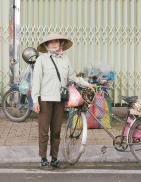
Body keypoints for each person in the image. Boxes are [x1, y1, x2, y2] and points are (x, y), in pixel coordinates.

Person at [31, 32, 94, 170]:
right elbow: (36, 81)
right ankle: (43, 159)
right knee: (43, 131)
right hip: (45, 100)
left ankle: (54, 158)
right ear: (46, 45)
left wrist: (86, 84)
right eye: (50, 42)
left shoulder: (65, 59)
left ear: (60, 44)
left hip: (59, 99)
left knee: (56, 131)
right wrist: (35, 100)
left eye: (56, 42)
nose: (54, 44)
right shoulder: (41, 60)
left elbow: (73, 76)